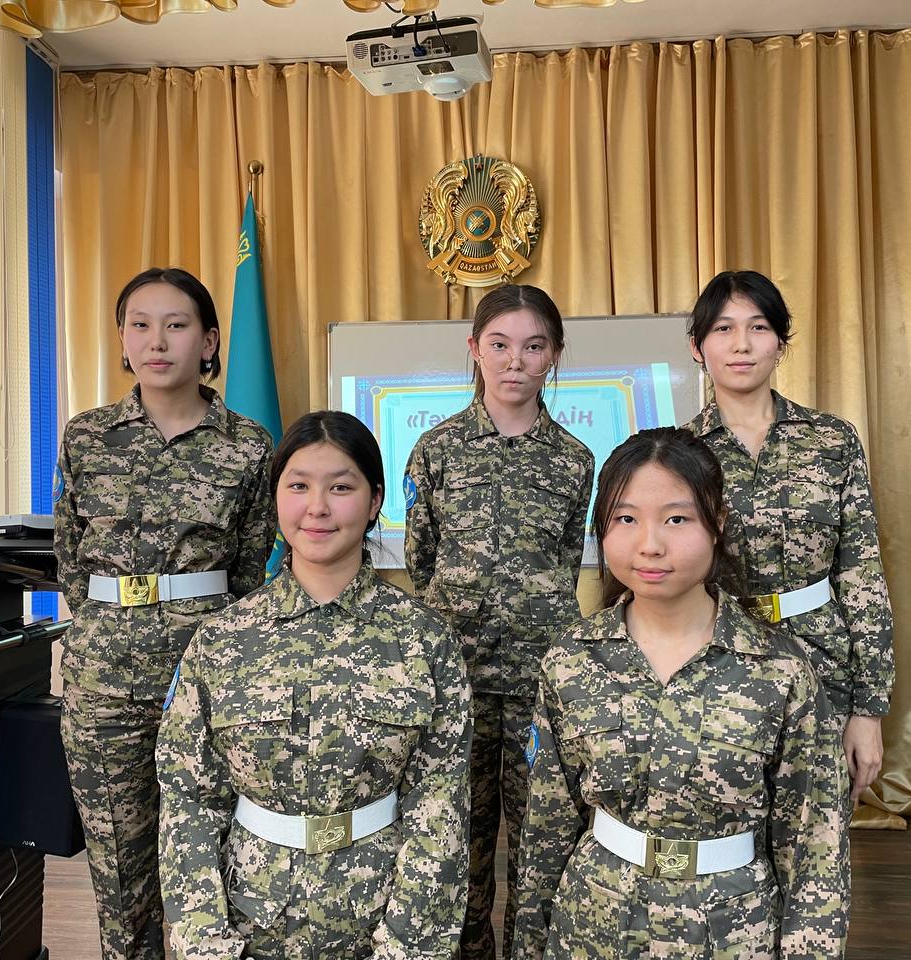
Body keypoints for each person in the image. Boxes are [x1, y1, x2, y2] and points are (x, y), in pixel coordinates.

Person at [512, 427, 848, 960]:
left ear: (718, 523)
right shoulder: (571, 659)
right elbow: (547, 829)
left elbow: (815, 848)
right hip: (592, 924)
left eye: (676, 519)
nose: (650, 544)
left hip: (734, 930)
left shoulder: (780, 669)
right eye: (626, 519)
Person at [157, 410, 472, 959]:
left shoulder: (424, 639)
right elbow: (189, 800)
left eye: (341, 487)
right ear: (275, 498)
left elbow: (438, 807)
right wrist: (207, 943)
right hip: (249, 919)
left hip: (380, 915)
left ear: (374, 501)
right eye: (298, 486)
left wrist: (405, 947)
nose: (318, 507)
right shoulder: (222, 639)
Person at [53, 266, 276, 960]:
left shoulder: (248, 444)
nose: (157, 341)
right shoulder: (87, 437)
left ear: (208, 342)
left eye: (176, 325)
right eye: (140, 325)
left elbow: (249, 568)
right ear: (123, 339)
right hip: (104, 684)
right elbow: (71, 560)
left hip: (206, 675)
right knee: (120, 869)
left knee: (216, 854)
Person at [403, 284, 595, 960]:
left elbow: (566, 561)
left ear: (554, 355)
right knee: (460, 846)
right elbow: (421, 560)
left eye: (534, 346)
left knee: (543, 847)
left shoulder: (575, 459)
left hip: (542, 686)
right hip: (457, 685)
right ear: (475, 349)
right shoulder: (437, 450)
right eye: (500, 344)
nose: (516, 361)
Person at [684, 270, 894, 809]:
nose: (742, 344)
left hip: (821, 661)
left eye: (758, 327)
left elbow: (862, 574)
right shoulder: (680, 452)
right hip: (715, 661)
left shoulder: (831, 439)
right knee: (727, 828)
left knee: (816, 833)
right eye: (724, 328)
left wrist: (868, 710)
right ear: (698, 347)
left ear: (780, 342)